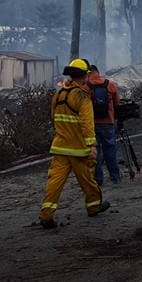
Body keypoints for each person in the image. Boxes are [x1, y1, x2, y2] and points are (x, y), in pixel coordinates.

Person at [39, 58, 110, 229]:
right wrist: (92, 145)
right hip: (78, 149)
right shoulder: (82, 96)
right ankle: (94, 207)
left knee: (54, 183)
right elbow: (87, 123)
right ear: (84, 76)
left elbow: (53, 118)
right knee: (88, 180)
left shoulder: (58, 95)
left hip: (59, 147)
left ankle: (46, 215)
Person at [88, 64, 121, 185]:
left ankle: (98, 180)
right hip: (108, 122)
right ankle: (115, 177)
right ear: (97, 72)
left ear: (88, 73)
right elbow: (117, 102)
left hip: (92, 124)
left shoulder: (87, 87)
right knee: (110, 150)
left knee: (95, 152)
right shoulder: (109, 84)